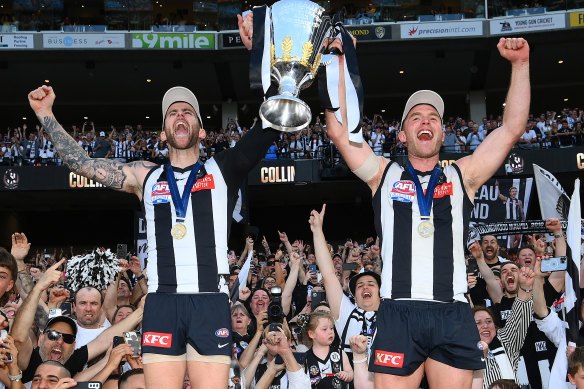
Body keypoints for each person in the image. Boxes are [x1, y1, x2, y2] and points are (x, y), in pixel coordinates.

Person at [324, 37, 531, 387]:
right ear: (403, 134)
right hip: (397, 312)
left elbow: (511, 130)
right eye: (416, 117)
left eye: (433, 117)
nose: (425, 121)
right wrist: (337, 64)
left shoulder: (462, 175)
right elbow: (339, 133)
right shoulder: (384, 174)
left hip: (450, 310)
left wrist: (521, 64)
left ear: (441, 131)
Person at [308, 205, 380, 360]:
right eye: (360, 286)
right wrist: (318, 231)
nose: (365, 287)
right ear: (354, 295)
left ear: (380, 292)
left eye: (371, 284)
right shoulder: (347, 314)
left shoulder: (392, 313)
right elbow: (328, 275)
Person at [472, 266, 534, 388]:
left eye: (489, 321)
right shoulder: (464, 351)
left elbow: (518, 317)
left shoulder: (505, 340)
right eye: (478, 323)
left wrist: (525, 288)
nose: (485, 325)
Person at [304, 311, 353, 388]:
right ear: (311, 334)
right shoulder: (306, 358)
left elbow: (350, 373)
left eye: (331, 328)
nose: (330, 332)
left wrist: (347, 375)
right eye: (324, 329)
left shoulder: (340, 353)